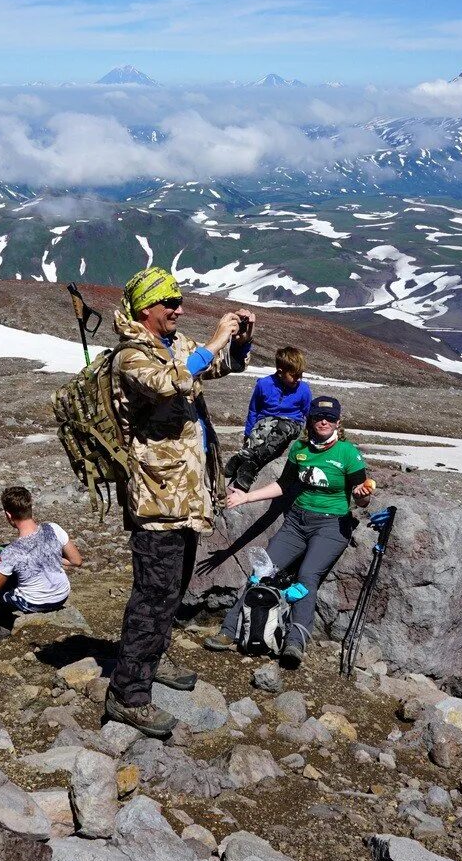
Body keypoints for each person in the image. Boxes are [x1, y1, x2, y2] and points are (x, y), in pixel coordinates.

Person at [104, 266, 254, 738]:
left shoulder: (177, 344)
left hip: (186, 494)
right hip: (156, 497)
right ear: (147, 308)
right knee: (151, 594)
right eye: (169, 303)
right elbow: (170, 383)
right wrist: (213, 338)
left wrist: (240, 342)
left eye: (179, 301)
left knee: (172, 589)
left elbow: (218, 367)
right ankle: (128, 694)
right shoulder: (132, 357)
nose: (178, 310)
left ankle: (153, 658)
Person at [203, 395, 374, 668]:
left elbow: (362, 498)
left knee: (307, 575)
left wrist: (362, 494)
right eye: (318, 416)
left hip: (331, 525)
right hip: (296, 522)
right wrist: (246, 497)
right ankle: (229, 630)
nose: (324, 421)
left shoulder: (347, 453)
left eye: (330, 418)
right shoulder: (299, 449)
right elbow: (283, 485)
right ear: (310, 420)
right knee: (263, 572)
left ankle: (295, 642)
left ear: (338, 422)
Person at [0, 486, 83, 643]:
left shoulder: (12, 552)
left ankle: (4, 622)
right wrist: (48, 557)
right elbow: (76, 561)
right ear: (30, 507)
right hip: (61, 595)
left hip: (35, 602)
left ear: (8, 515)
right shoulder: (53, 528)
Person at [225, 346, 312, 491]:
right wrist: (248, 433)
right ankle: (241, 458)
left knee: (281, 427)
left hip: (291, 422)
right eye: (294, 375)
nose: (298, 379)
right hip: (266, 421)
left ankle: (250, 466)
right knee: (261, 431)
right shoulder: (264, 384)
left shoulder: (303, 389)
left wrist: (310, 439)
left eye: (300, 374)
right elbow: (254, 409)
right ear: (280, 372)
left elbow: (308, 413)